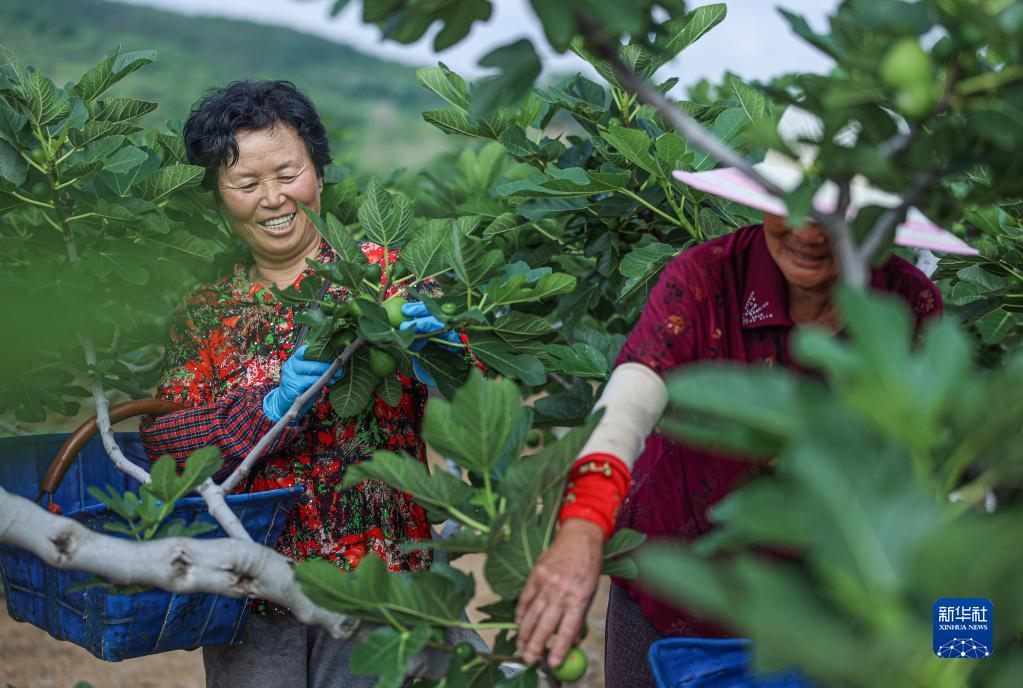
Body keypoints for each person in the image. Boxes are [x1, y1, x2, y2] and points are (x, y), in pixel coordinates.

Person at [513, 157, 976, 687]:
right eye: (789, 207)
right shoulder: (704, 279)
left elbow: (932, 485)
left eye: (836, 219)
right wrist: (583, 527)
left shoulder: (908, 301)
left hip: (829, 600)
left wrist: (966, 646)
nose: (806, 232)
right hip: (682, 584)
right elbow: (630, 401)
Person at [139, 80, 454, 688]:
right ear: (219, 198)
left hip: (382, 586)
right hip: (251, 592)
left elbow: (482, 397)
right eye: (246, 184)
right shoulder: (209, 311)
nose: (273, 198)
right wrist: (264, 410)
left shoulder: (383, 276)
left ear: (318, 170)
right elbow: (165, 440)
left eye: (288, 173)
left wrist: (443, 357)